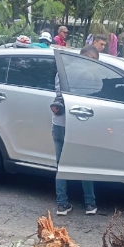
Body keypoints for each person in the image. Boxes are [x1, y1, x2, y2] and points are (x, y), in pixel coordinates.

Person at [53, 41, 103, 216]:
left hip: (59, 123)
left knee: (61, 165)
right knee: (84, 164)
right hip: (81, 124)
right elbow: (98, 92)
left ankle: (62, 205)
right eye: (93, 60)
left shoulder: (62, 70)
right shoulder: (90, 75)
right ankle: (90, 204)